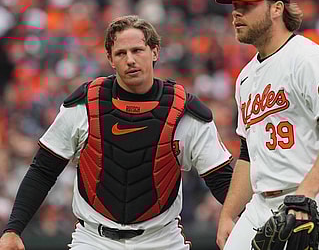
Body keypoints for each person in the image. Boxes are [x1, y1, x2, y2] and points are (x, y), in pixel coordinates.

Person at [0, 15, 234, 250]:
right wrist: (13, 229)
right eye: (121, 53)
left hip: (162, 240)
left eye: (137, 50)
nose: (130, 60)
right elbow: (43, 170)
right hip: (93, 239)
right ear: (110, 59)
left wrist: (241, 220)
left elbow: (220, 177)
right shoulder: (85, 105)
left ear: (155, 51)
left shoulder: (183, 111)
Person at [214, 0, 319, 250]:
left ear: (277, 8)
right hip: (262, 203)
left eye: (247, 6)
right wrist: (228, 213)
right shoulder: (245, 77)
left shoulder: (307, 59)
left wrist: (305, 195)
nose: (237, 14)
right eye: (235, 6)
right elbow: (249, 154)